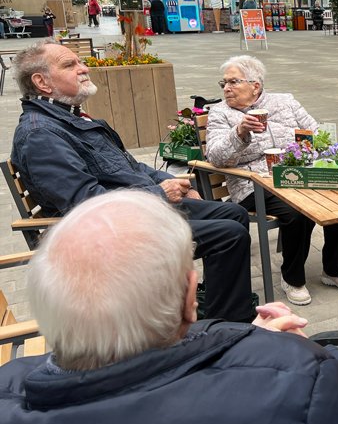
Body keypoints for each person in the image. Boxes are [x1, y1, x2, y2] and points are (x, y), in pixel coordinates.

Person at [0, 191, 338, 424]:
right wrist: (322, 360)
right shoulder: (297, 385)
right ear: (190, 297)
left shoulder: (9, 391)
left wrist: (232, 341)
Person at [11, 41, 255, 323]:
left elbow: (129, 166)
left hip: (136, 208)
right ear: (41, 82)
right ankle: (231, 327)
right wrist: (160, 194)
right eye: (70, 65)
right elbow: (86, 203)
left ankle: (217, 305)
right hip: (108, 233)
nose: (83, 68)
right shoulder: (41, 135)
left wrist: (171, 181)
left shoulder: (68, 118)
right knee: (228, 235)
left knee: (233, 213)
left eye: (80, 62)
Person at [207, 55, 338, 305]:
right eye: (223, 83)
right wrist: (240, 132)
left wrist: (312, 150)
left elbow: (316, 131)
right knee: (297, 213)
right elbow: (215, 156)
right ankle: (293, 278)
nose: (226, 88)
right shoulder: (220, 113)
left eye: (233, 82)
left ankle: (333, 269)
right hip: (252, 183)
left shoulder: (284, 101)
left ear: (255, 85)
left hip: (296, 174)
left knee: (337, 195)